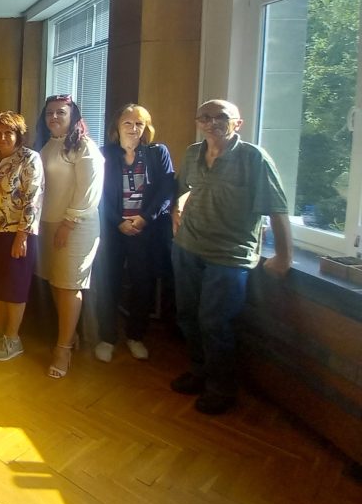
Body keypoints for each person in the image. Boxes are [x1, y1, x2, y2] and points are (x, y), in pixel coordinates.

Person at [170, 99, 292, 414]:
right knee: (187, 315)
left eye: (220, 117)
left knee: (214, 322)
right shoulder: (193, 153)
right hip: (187, 246)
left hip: (229, 255)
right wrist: (176, 210)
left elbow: (277, 209)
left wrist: (283, 256)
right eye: (205, 117)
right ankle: (199, 371)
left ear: (238, 123)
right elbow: (186, 189)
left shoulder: (254, 158)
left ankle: (221, 388)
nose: (212, 122)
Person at [96, 104, 175, 363]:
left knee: (143, 284)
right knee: (109, 283)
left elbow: (166, 190)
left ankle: (135, 336)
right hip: (113, 230)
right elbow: (97, 195)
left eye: (139, 123)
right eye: (127, 123)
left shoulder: (157, 153)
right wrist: (119, 221)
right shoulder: (104, 154)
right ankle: (107, 338)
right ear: (117, 127)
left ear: (146, 128)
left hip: (146, 231)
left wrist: (144, 219)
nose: (133, 128)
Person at [35, 94, 104, 379]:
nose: (54, 117)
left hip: (75, 226)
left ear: (73, 115)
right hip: (48, 223)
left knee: (69, 285)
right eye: (49, 112)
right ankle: (69, 336)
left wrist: (68, 223)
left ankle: (63, 349)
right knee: (55, 281)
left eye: (60, 112)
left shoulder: (84, 146)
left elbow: (89, 191)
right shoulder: (48, 144)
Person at [0, 111, 44, 362]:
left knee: (14, 286)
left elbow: (32, 200)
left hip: (15, 234)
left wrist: (22, 237)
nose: (2, 137)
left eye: (8, 132)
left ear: (18, 134)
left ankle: (13, 338)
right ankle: (0, 331)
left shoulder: (29, 158)